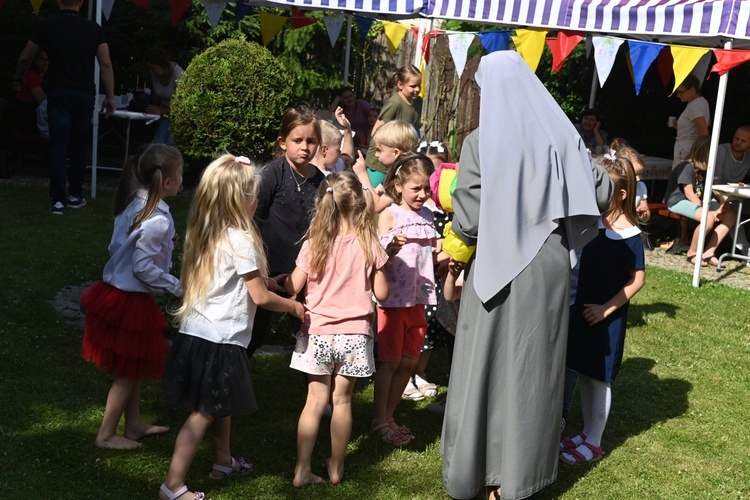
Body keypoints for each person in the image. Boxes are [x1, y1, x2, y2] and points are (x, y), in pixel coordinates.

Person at [440, 51, 609, 500]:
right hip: (547, 269)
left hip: (496, 267)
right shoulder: (563, 137)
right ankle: (517, 479)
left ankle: (477, 475)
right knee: (533, 372)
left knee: (484, 368)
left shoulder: (480, 141)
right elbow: (604, 192)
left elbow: (470, 221)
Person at [159, 154, 304, 500]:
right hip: (222, 340)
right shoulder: (241, 238)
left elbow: (236, 280)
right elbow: (260, 297)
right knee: (204, 412)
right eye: (255, 194)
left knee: (218, 402)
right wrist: (294, 307)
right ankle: (173, 485)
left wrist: (270, 280)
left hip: (198, 333)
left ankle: (223, 462)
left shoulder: (206, 232)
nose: (258, 200)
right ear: (241, 202)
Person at [284, 172, 391, 487]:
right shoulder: (369, 242)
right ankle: (336, 467)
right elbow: (382, 294)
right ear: (360, 204)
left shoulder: (315, 242)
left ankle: (301, 469)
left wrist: (275, 281)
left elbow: (293, 286)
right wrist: (383, 266)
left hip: (318, 331)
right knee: (342, 402)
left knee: (315, 401)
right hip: (356, 334)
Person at [80, 144, 183, 450]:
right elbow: (143, 269)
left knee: (134, 365)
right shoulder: (158, 219)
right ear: (166, 182)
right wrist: (177, 286)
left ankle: (134, 424)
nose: (182, 179)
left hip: (116, 295)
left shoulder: (135, 205)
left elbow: (121, 249)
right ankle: (107, 434)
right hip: (129, 301)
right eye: (180, 174)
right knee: (127, 372)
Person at [561, 152, 646, 465]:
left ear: (621, 194)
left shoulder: (630, 235)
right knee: (585, 373)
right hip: (583, 312)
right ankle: (585, 433)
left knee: (599, 379)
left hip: (605, 319)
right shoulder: (594, 223)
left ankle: (594, 441)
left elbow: (637, 281)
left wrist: (606, 309)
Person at [13, 0, 116, 215]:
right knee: (79, 144)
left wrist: (18, 76)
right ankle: (76, 194)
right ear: (81, 3)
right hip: (84, 92)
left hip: (58, 91)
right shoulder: (93, 29)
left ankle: (58, 199)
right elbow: (105, 64)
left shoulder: (47, 25)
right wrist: (111, 96)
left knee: (58, 144)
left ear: (58, 1)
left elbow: (25, 55)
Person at [247, 107, 326, 358]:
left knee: (308, 330)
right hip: (269, 269)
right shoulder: (272, 174)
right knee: (254, 331)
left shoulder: (321, 181)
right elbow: (254, 218)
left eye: (311, 141)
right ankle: (231, 376)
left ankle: (316, 388)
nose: (305, 147)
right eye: (298, 140)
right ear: (283, 142)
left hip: (306, 271)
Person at [372, 152, 437, 446]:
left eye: (427, 188)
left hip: (419, 300)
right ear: (398, 186)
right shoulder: (389, 215)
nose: (423, 195)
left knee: (410, 362)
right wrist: (392, 248)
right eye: (416, 189)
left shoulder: (427, 216)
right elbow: (375, 259)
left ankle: (389, 416)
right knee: (391, 362)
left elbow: (432, 254)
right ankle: (379, 419)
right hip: (394, 302)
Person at [402, 140, 454, 401]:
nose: (427, 189)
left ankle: (419, 372)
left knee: (429, 328)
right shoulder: (407, 212)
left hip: (432, 278)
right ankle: (405, 374)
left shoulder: (442, 211)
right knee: (409, 327)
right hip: (408, 280)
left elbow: (442, 243)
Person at [665, 136, 736, 269]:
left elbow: (713, 190)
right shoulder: (686, 167)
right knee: (707, 218)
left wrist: (722, 204)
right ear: (706, 153)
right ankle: (693, 252)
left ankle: (709, 251)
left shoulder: (707, 170)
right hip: (677, 201)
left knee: (730, 214)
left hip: (697, 202)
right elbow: (689, 194)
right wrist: (709, 211)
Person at [364, 65, 422, 187]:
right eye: (412, 86)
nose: (417, 89)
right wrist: (385, 150)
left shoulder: (418, 102)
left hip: (399, 160)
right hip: (380, 163)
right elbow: (375, 132)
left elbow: (415, 128)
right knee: (372, 194)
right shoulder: (394, 104)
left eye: (419, 85)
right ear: (400, 85)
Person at [353, 120, 419, 212]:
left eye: (379, 150)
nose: (376, 155)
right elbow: (376, 193)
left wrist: (362, 173)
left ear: (396, 152)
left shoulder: (403, 177)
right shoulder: (394, 173)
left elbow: (376, 206)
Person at [145, 48, 184, 145]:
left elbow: (183, 103)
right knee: (158, 142)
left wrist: (163, 110)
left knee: (170, 144)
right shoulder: (155, 74)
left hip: (178, 115)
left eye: (154, 68)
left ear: (162, 65)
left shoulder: (179, 75)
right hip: (163, 115)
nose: (152, 71)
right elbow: (157, 94)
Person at [671, 74, 710, 168]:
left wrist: (696, 153)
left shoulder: (694, 106)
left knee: (681, 177)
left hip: (687, 149)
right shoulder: (702, 101)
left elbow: (704, 130)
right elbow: (708, 122)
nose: (678, 96)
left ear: (692, 90)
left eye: (681, 92)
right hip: (690, 147)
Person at [14, 50, 49, 138]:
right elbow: (43, 101)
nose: (46, 62)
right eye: (42, 59)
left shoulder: (47, 79)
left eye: (48, 60)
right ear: (36, 60)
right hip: (28, 117)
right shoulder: (31, 75)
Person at [311, 107, 354, 175]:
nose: (340, 153)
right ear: (325, 150)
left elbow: (347, 158)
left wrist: (347, 129)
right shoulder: (312, 176)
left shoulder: (333, 167)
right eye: (338, 150)